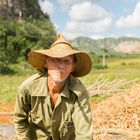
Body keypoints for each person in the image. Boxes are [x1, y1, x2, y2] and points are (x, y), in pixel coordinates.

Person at [14, 34, 93, 140]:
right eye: (55, 59)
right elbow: (20, 119)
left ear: (72, 67)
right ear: (46, 62)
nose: (61, 65)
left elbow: (84, 134)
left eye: (67, 61)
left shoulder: (79, 93)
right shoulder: (28, 88)